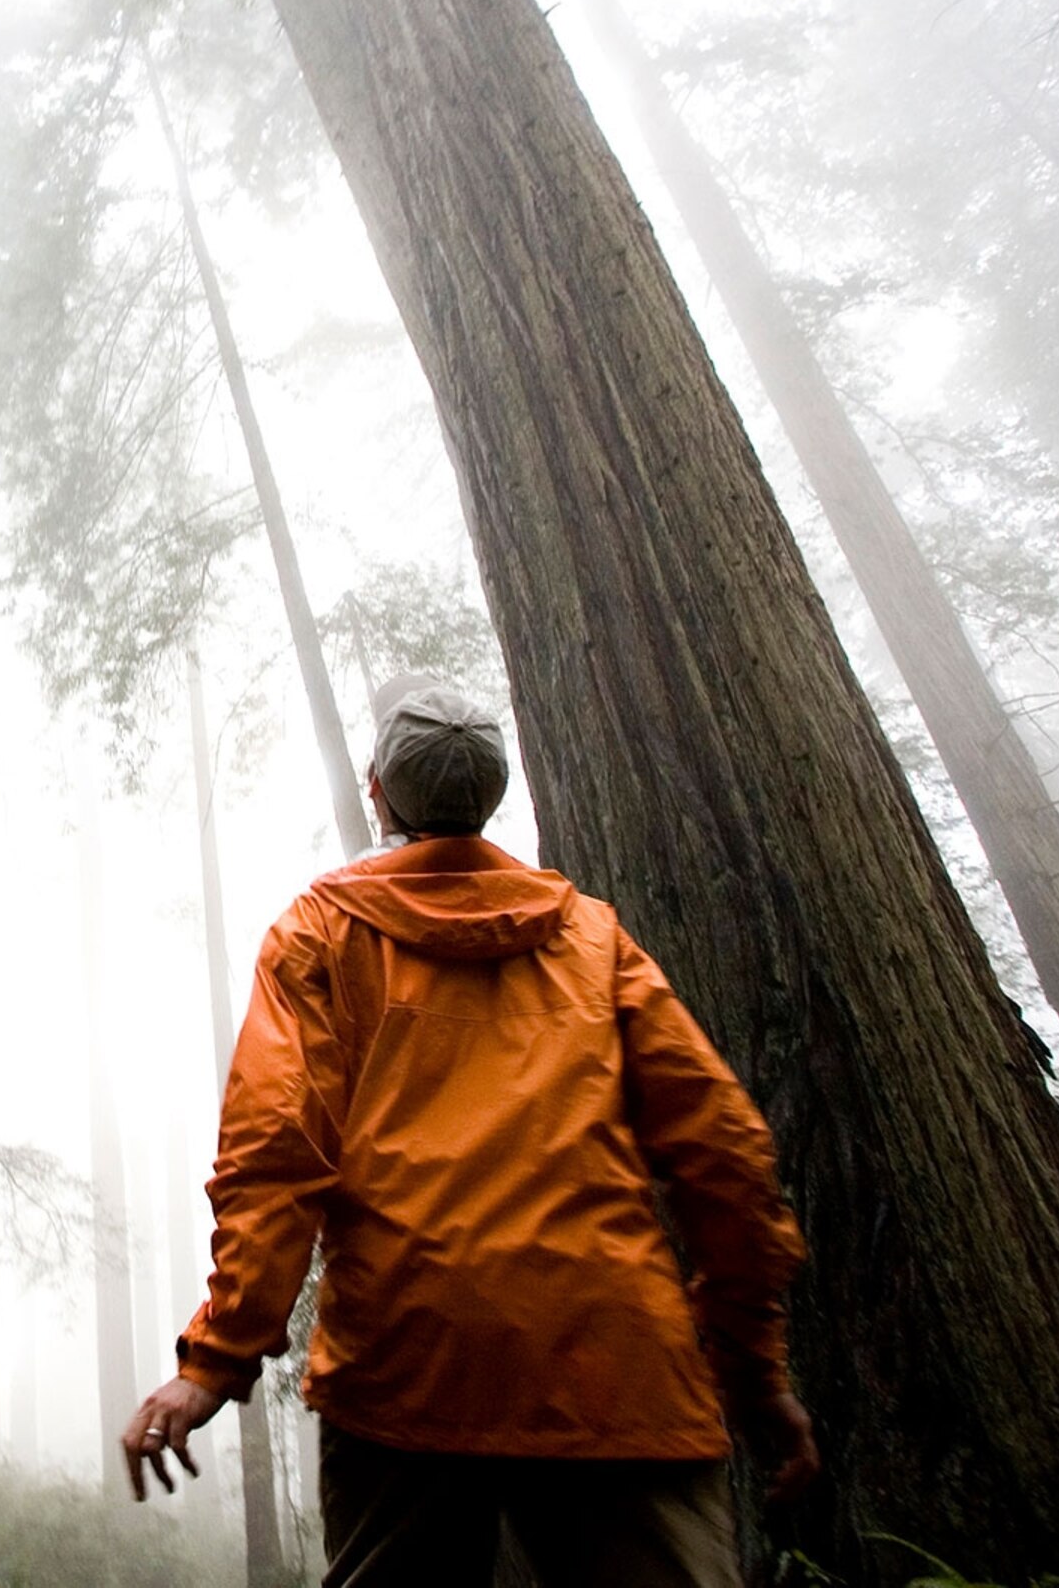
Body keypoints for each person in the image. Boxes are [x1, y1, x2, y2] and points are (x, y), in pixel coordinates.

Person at [122, 677, 816, 1588]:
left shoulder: (320, 933)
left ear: (377, 789)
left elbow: (275, 1156)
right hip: (618, 1368)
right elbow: (724, 1154)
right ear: (493, 800)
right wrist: (756, 1374)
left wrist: (216, 1359)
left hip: (406, 1373)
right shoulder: (593, 939)